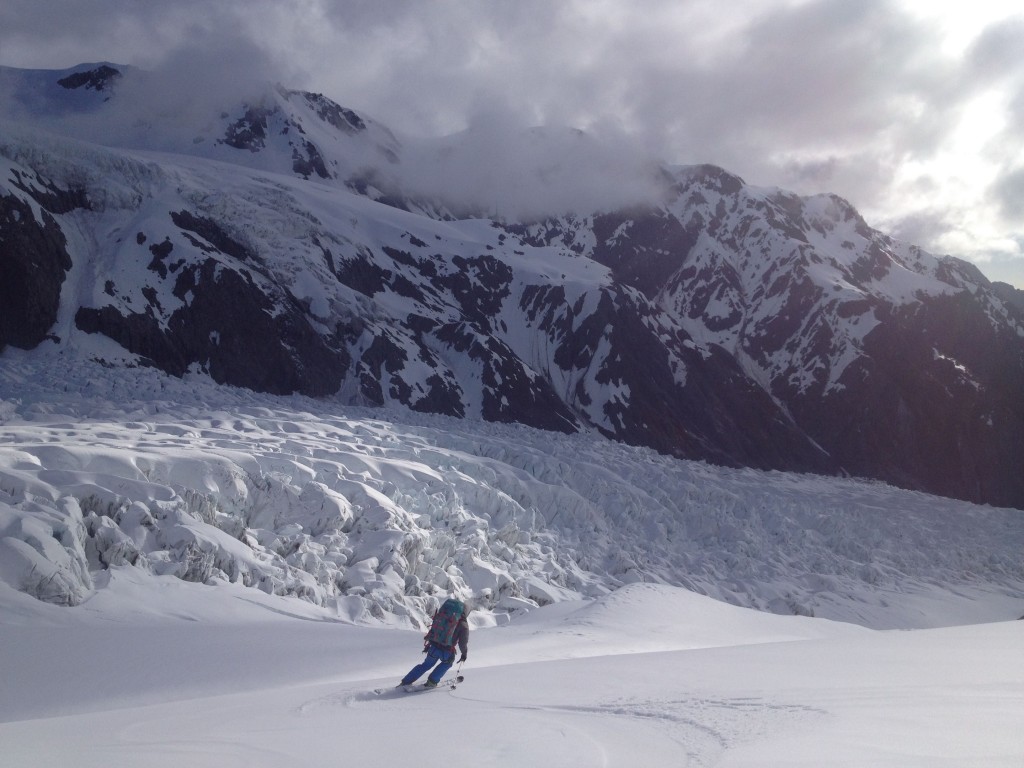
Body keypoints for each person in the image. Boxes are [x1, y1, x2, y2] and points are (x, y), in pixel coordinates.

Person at [399, 604, 470, 688]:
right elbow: (463, 643)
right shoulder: (463, 625)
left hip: (433, 647)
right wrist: (464, 654)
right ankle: (432, 682)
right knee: (448, 663)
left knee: (426, 665)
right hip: (446, 651)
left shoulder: (445, 616)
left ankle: (406, 681)